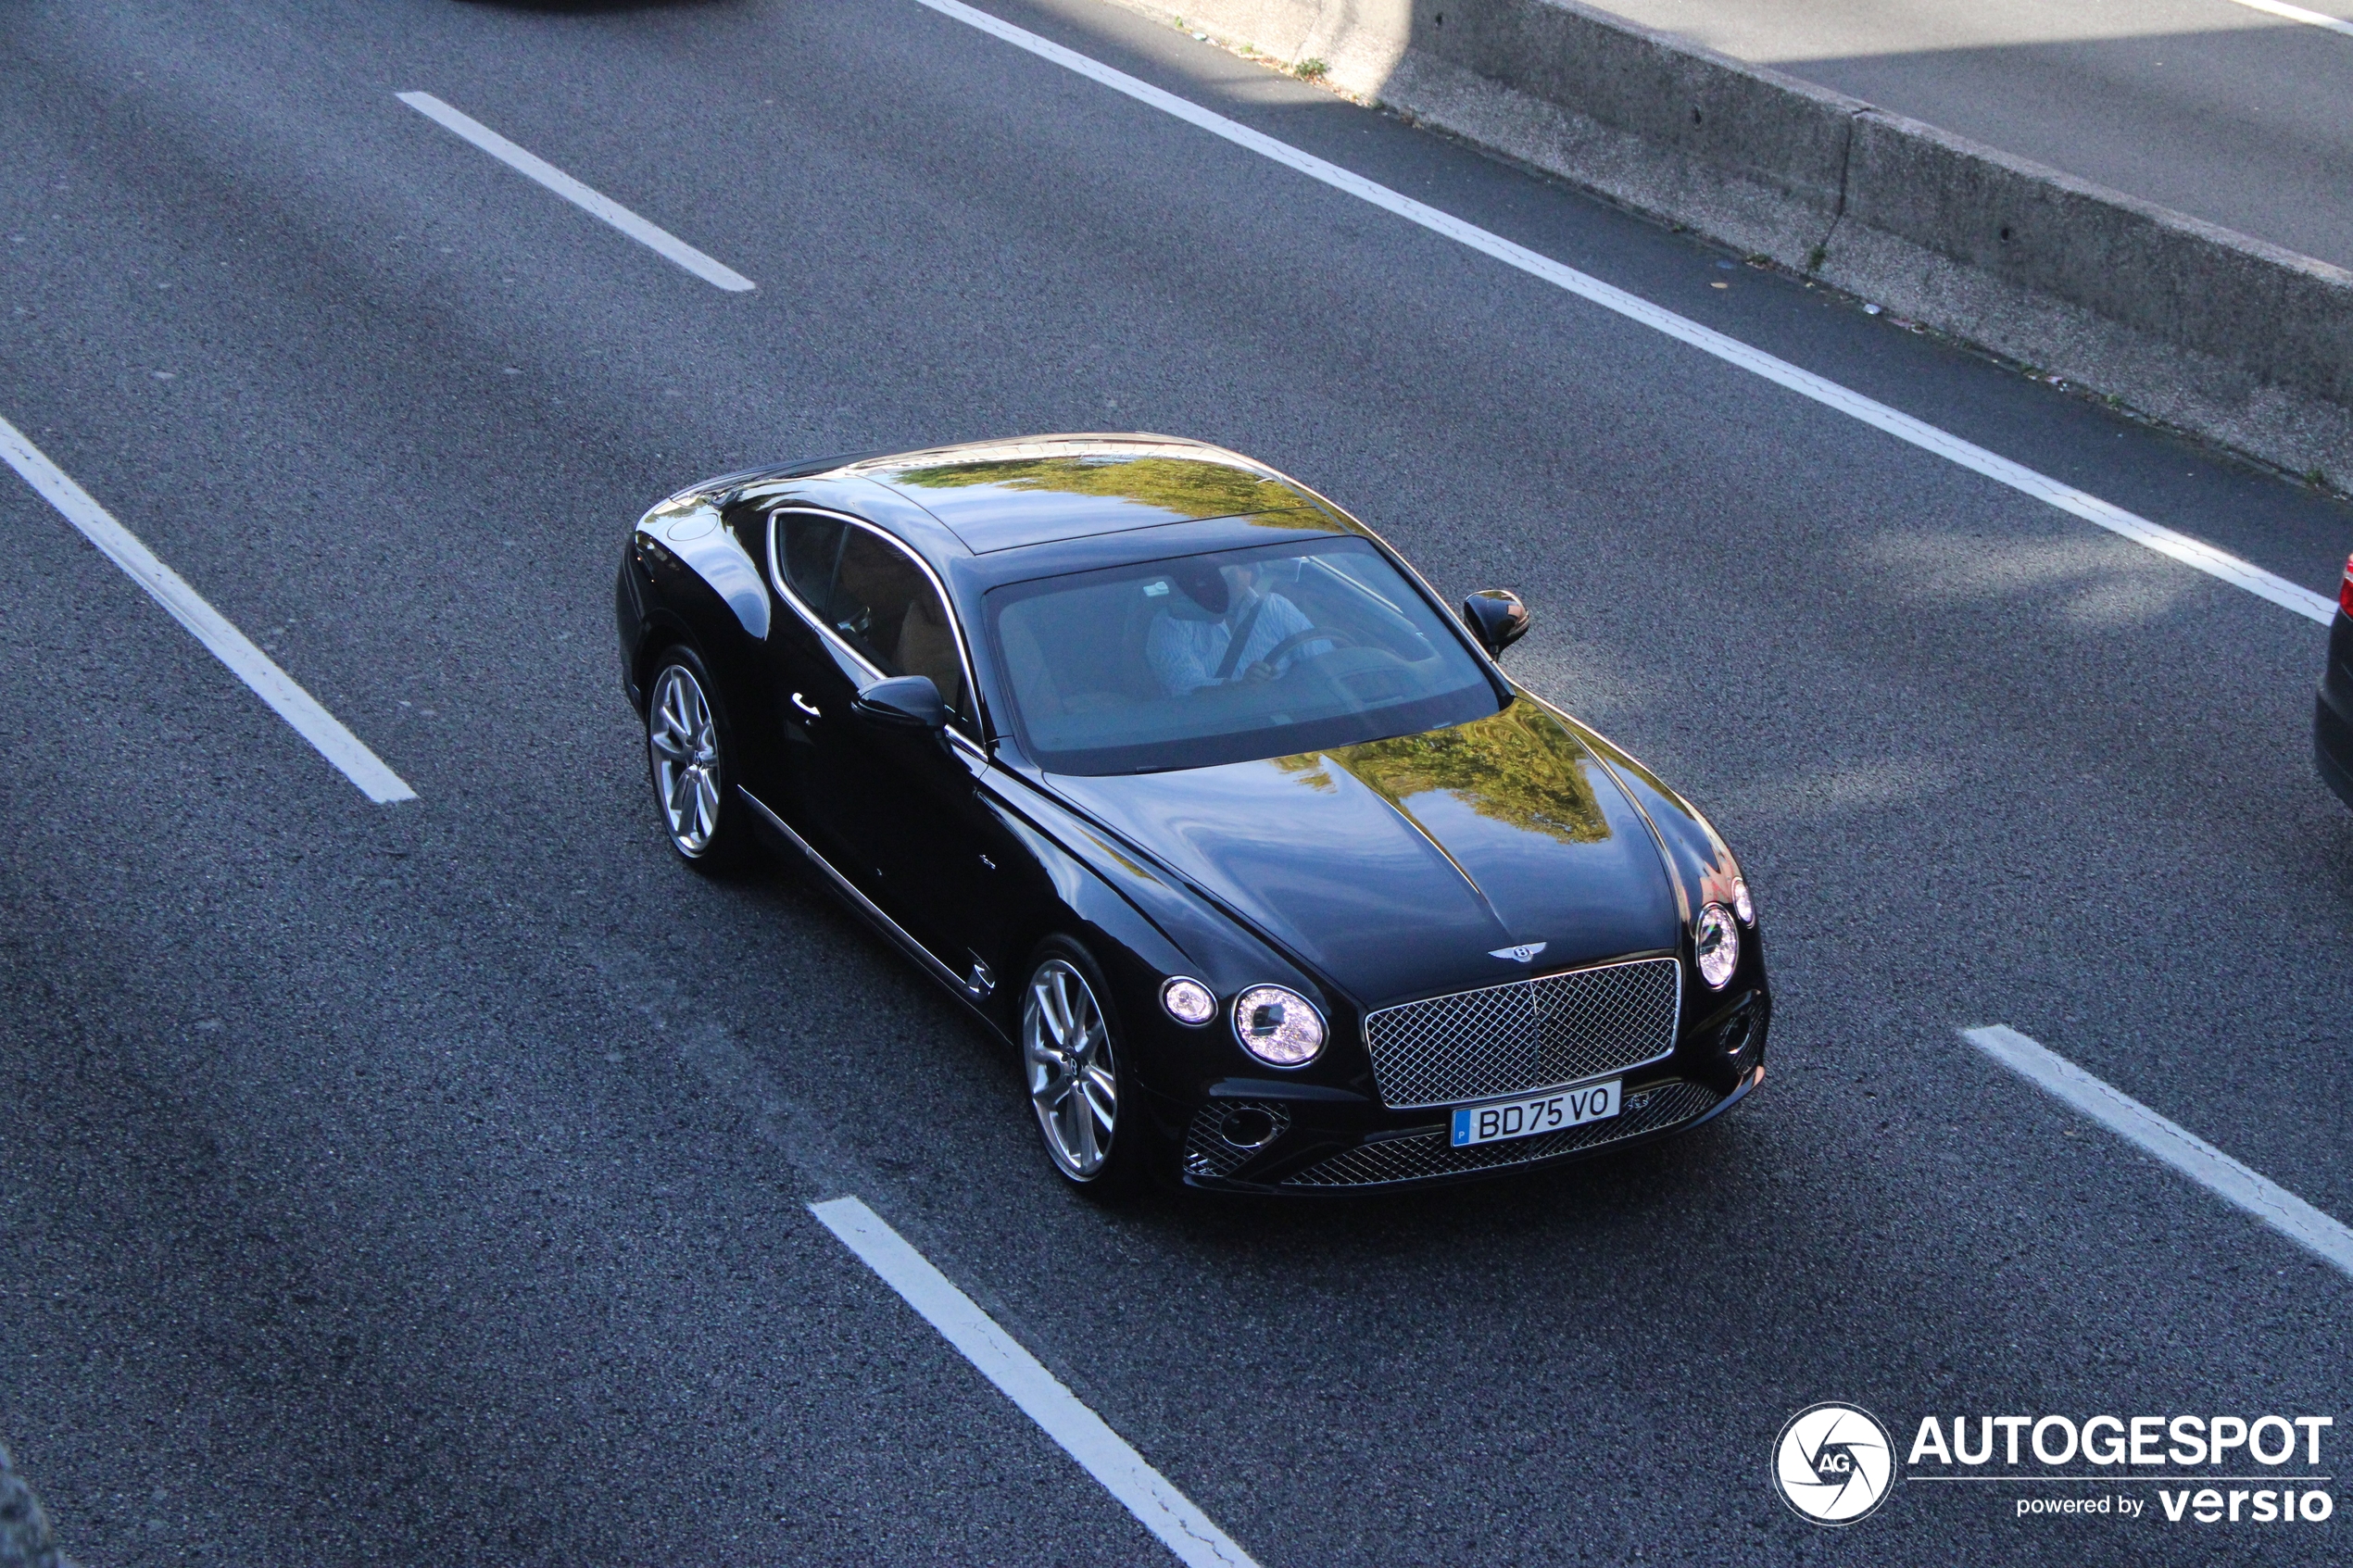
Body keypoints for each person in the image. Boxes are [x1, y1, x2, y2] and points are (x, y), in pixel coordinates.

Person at [1145, 558, 1326, 696]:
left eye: (1244, 566)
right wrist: (1240, 688)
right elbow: (1186, 690)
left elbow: (1325, 662)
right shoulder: (1173, 621)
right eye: (1228, 568)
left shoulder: (1276, 607)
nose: (1239, 574)